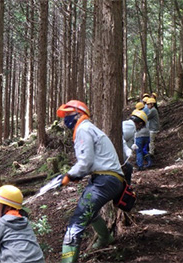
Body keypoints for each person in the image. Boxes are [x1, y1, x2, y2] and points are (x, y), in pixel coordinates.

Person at [56, 100, 124, 263]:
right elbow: (91, 161)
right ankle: (105, 238)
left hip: (105, 180)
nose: (65, 120)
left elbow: (85, 162)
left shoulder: (83, 129)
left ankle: (67, 261)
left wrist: (69, 175)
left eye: (67, 115)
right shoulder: (88, 128)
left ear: (78, 114)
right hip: (107, 179)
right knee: (90, 213)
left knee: (76, 223)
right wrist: (76, 175)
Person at [122, 108, 148, 183]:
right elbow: (119, 136)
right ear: (140, 123)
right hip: (116, 159)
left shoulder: (130, 126)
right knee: (128, 169)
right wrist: (126, 149)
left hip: (119, 158)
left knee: (129, 168)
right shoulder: (130, 126)